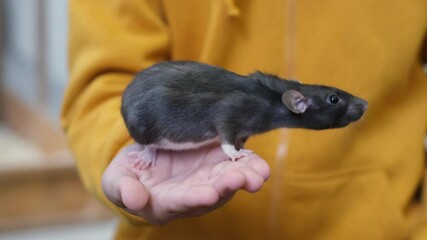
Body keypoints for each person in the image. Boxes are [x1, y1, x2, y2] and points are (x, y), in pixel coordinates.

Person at [62, 0, 427, 239]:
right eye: (335, 101)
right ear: (298, 103)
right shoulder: (254, 107)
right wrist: (120, 147)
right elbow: (103, 81)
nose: (355, 105)